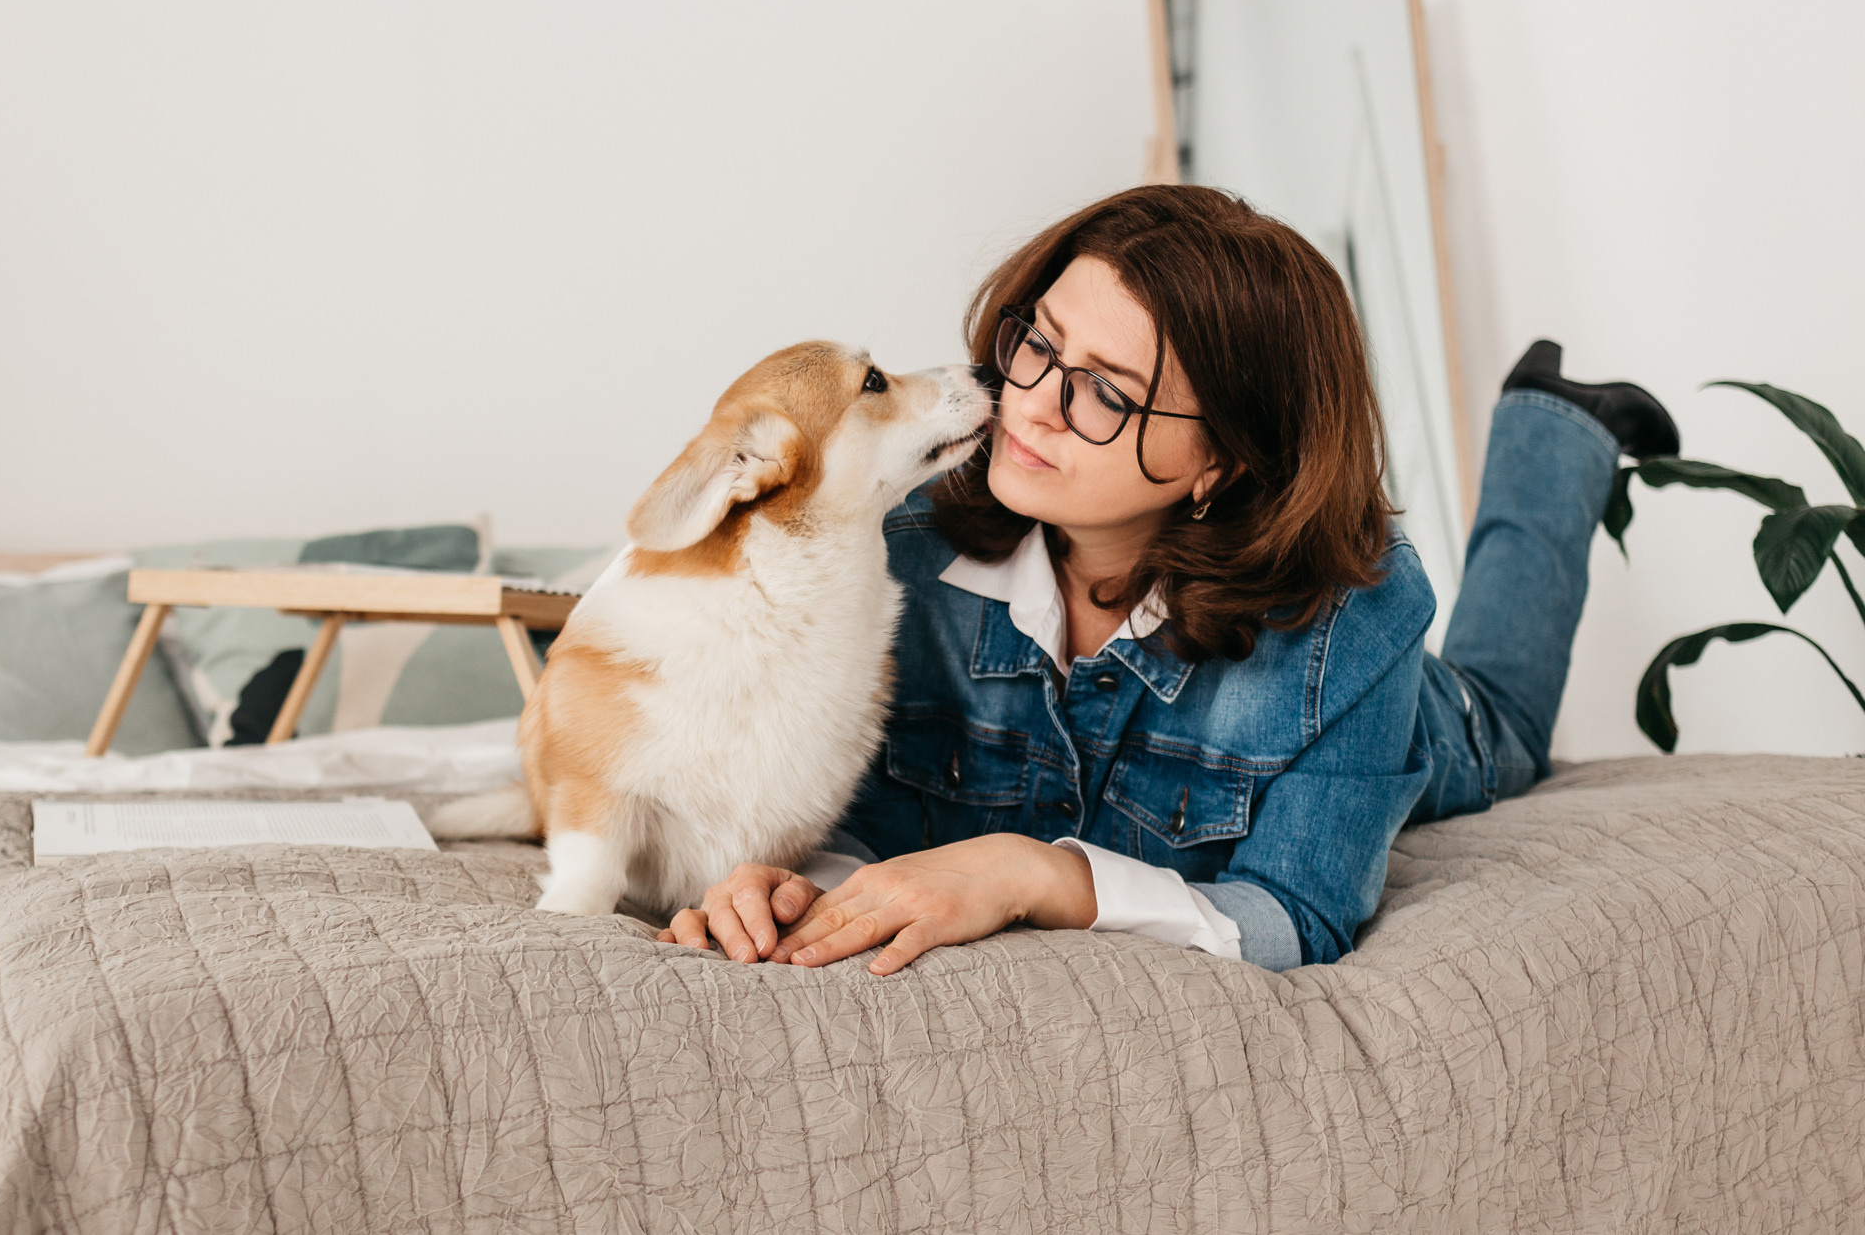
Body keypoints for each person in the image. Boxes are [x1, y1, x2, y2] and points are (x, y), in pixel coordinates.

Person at [653, 184, 1680, 976]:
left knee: (1500, 720)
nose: (1034, 405)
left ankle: (1555, 423)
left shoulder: (1349, 620)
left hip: (1403, 715)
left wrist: (1033, 870)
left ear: (1221, 462)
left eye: (1106, 391)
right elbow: (848, 819)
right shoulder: (894, 550)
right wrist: (785, 880)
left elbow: (1298, 910)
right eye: (1038, 344)